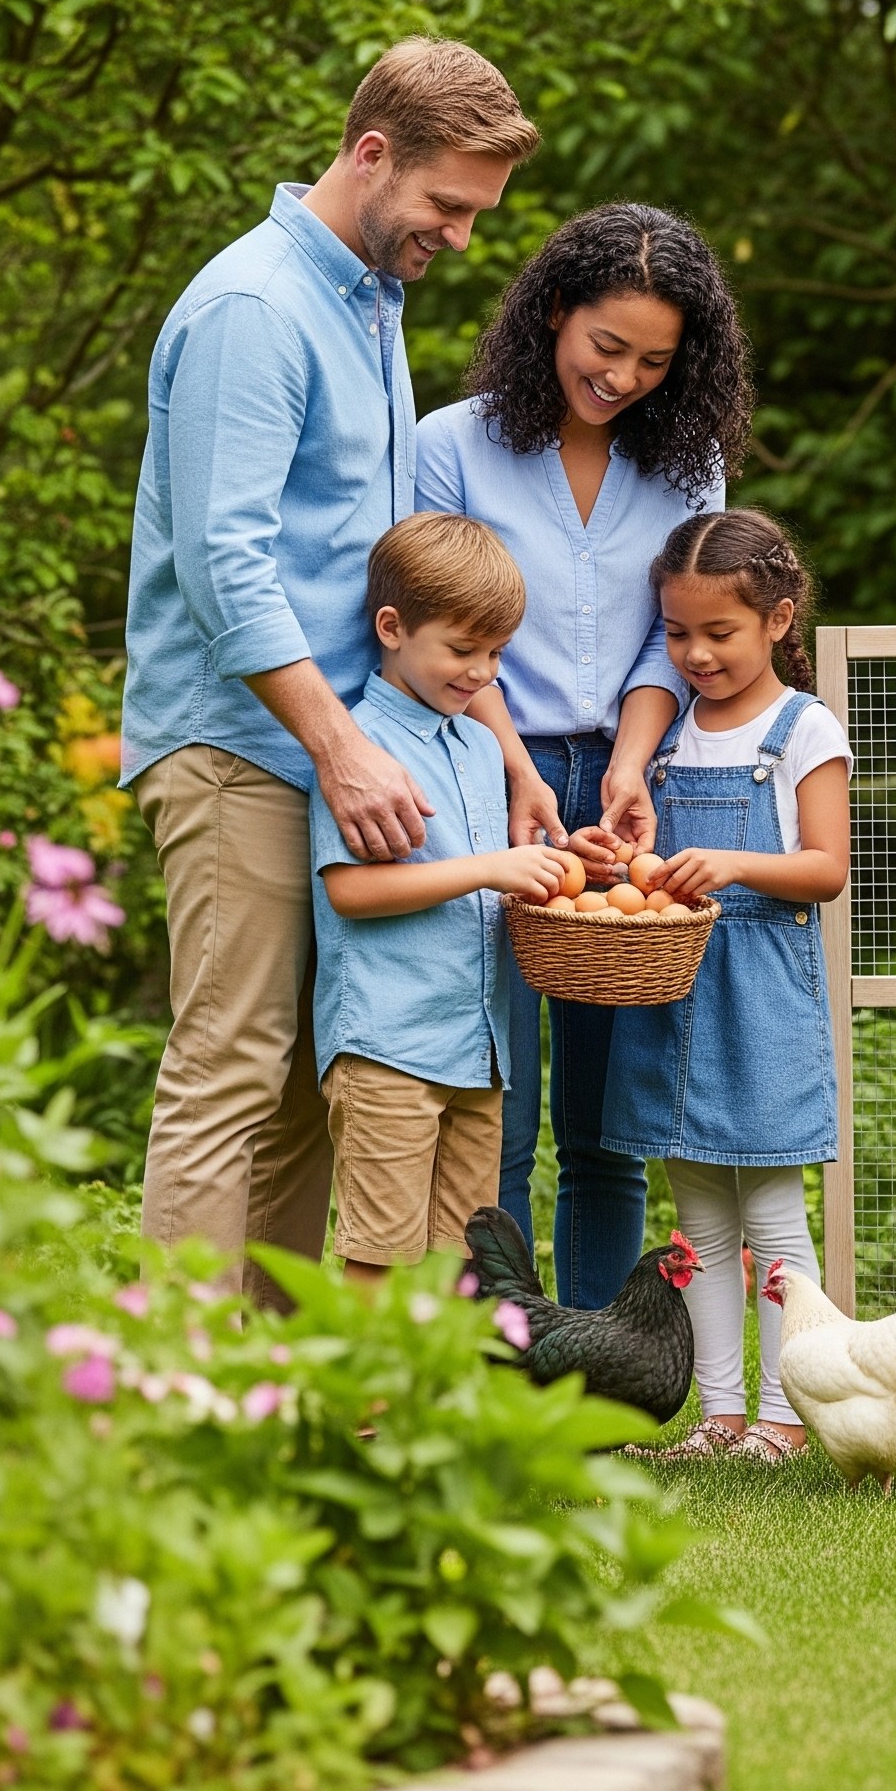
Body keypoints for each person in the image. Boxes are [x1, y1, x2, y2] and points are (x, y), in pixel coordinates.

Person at [121, 38, 539, 1300]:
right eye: (447, 206)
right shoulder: (256, 308)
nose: (461, 237)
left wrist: (507, 757)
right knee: (232, 1068)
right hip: (238, 744)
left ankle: (277, 1386)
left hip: (328, 748)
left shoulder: (367, 305)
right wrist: (340, 743)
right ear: (370, 155)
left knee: (312, 1081)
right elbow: (225, 563)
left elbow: (409, 583)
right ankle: (175, 1398)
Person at [415, 204, 751, 1307]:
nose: (623, 377)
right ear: (554, 311)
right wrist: (514, 764)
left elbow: (677, 627)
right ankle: (496, 1361)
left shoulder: (686, 459)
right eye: (606, 346)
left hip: (624, 788)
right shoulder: (448, 446)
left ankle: (600, 1378)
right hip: (479, 775)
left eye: (654, 360)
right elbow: (441, 624)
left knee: (607, 1123)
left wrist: (631, 760)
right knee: (497, 1105)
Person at [602, 510, 850, 1463]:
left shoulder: (802, 727)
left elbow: (826, 868)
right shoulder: (666, 734)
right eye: (676, 634)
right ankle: (721, 1416)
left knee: (774, 1215)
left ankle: (787, 1416)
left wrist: (737, 863)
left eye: (719, 633)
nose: (695, 654)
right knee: (698, 1218)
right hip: (671, 985)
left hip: (759, 995)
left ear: (780, 619)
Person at [310, 513, 572, 1285]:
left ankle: (430, 1408)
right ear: (392, 628)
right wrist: (492, 867)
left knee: (462, 1264)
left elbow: (491, 874)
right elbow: (352, 890)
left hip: (476, 1050)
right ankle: (363, 1413)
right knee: (378, 1256)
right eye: (462, 650)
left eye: (496, 653)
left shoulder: (481, 744)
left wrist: (556, 866)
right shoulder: (361, 746)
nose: (482, 673)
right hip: (389, 1045)